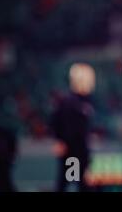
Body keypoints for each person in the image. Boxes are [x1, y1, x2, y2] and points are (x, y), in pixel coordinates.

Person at [51, 63, 95, 192]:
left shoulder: (81, 101)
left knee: (75, 183)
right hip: (73, 154)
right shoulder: (72, 103)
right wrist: (61, 141)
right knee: (74, 182)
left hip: (77, 153)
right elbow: (60, 124)